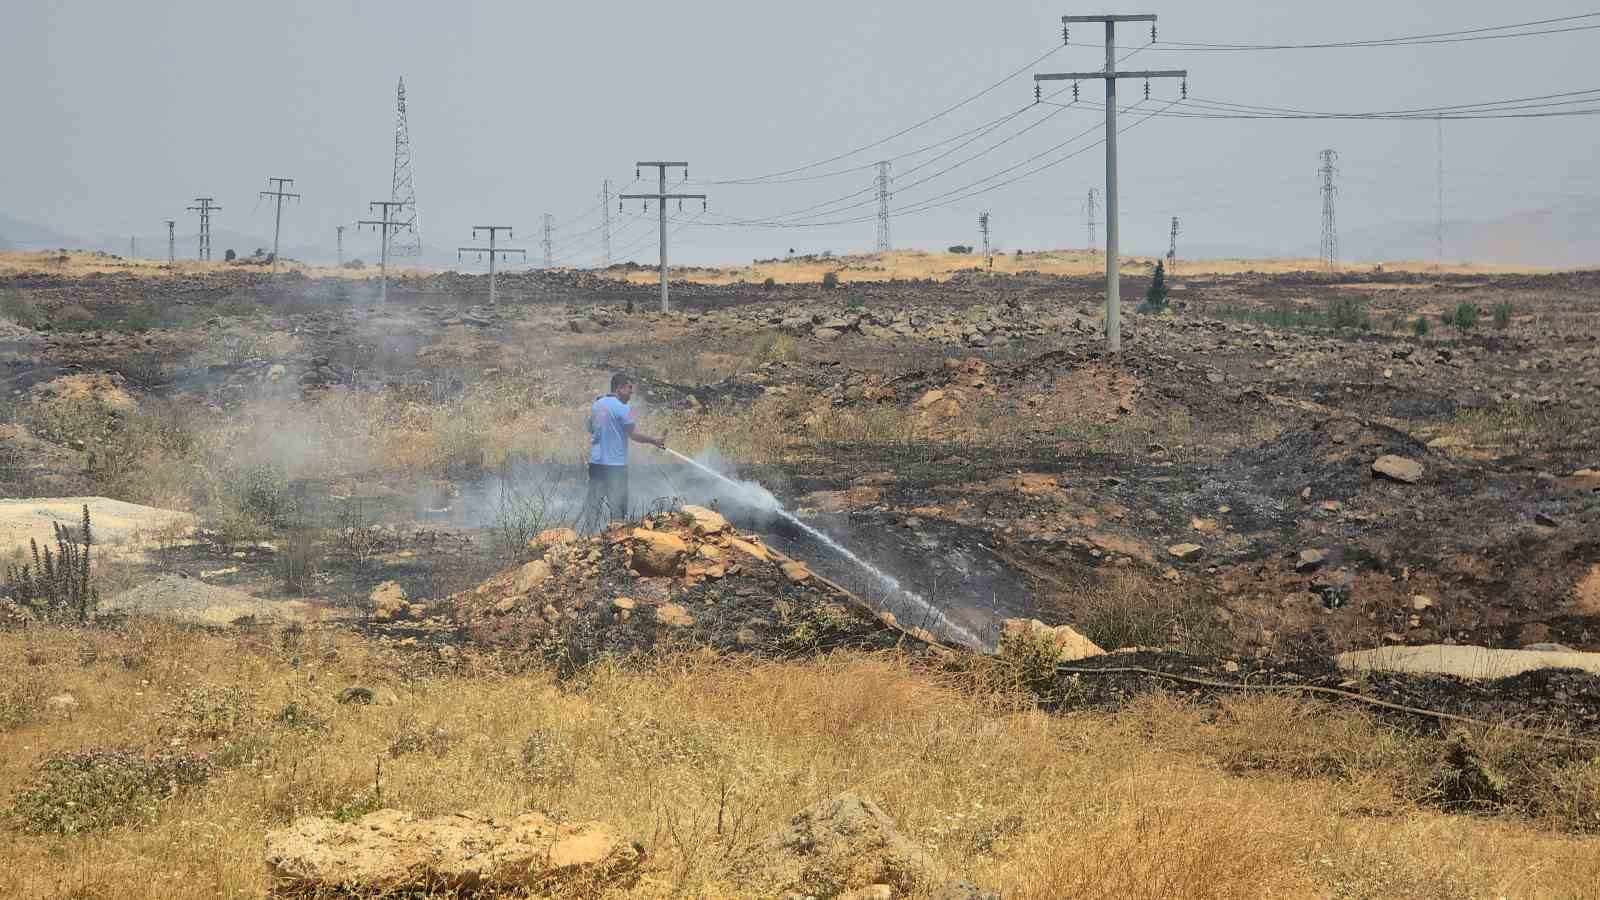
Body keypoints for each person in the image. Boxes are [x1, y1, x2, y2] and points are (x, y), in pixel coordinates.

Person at [582, 373, 666, 528]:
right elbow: (633, 434)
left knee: (593, 504)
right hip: (615, 466)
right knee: (618, 507)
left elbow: (589, 427)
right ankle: (616, 543)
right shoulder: (625, 408)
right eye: (629, 388)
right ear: (619, 388)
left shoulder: (597, 404)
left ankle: (587, 537)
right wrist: (654, 441)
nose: (631, 393)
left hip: (596, 463)